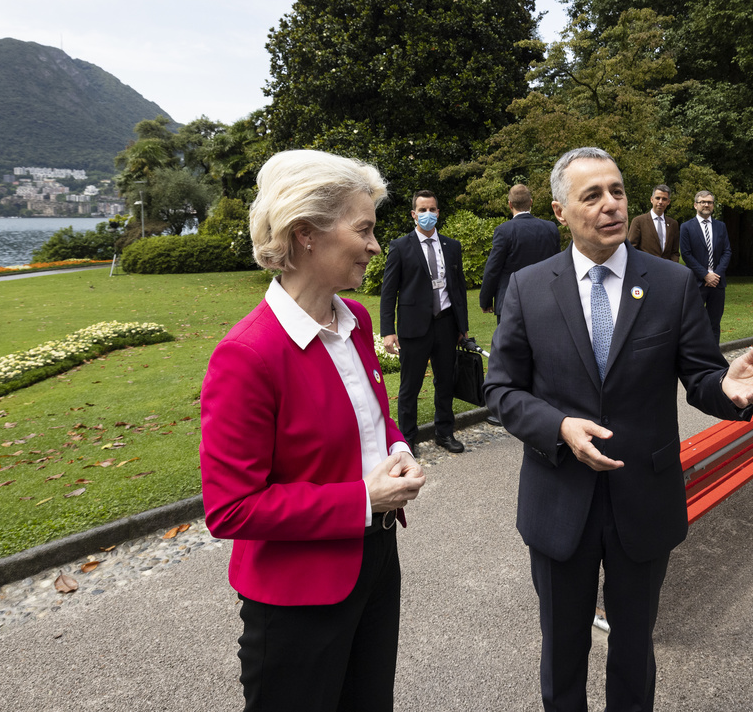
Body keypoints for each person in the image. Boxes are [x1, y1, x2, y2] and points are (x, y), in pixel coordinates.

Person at [485, 147, 753, 712]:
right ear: (559, 211)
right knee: (562, 648)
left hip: (642, 501)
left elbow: (699, 375)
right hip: (558, 500)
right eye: (591, 195)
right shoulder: (526, 287)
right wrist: (559, 425)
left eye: (617, 191)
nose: (610, 205)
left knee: (634, 649)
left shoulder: (670, 284)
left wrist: (727, 388)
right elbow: (501, 390)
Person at [199, 148, 425, 712]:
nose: (376, 245)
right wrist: (361, 499)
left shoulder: (355, 320)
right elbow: (231, 511)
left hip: (375, 564)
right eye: (364, 229)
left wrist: (397, 447)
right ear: (305, 233)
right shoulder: (247, 355)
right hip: (298, 599)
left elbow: (374, 414)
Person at [380, 190, 469, 453]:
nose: (427, 214)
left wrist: (462, 328)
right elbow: (388, 292)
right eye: (422, 210)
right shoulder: (400, 247)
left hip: (445, 325)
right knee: (410, 386)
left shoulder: (452, 247)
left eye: (432, 209)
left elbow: (459, 289)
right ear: (413, 214)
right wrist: (388, 331)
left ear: (438, 213)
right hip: (413, 328)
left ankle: (444, 433)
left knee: (445, 382)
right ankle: (407, 439)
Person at [480, 183, 561, 323]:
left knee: (511, 344)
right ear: (530, 202)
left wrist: (486, 300)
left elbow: (493, 268)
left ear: (510, 204)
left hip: (511, 301)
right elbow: (558, 265)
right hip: (545, 300)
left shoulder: (504, 231)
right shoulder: (550, 228)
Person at [678, 191, 732, 342]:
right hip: (697, 282)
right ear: (695, 205)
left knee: (714, 323)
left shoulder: (721, 226)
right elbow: (687, 254)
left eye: (709, 202)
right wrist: (705, 274)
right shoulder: (686, 227)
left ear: (713, 205)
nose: (706, 204)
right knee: (695, 322)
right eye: (702, 202)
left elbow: (727, 251)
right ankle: (696, 357)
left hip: (717, 283)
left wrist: (716, 275)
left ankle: (714, 359)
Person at [625, 183, 678, 260]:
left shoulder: (673, 224)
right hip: (646, 269)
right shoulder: (638, 221)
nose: (660, 202)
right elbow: (631, 249)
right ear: (651, 199)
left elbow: (675, 252)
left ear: (668, 202)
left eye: (664, 199)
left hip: (667, 270)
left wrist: (673, 267)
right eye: (657, 198)